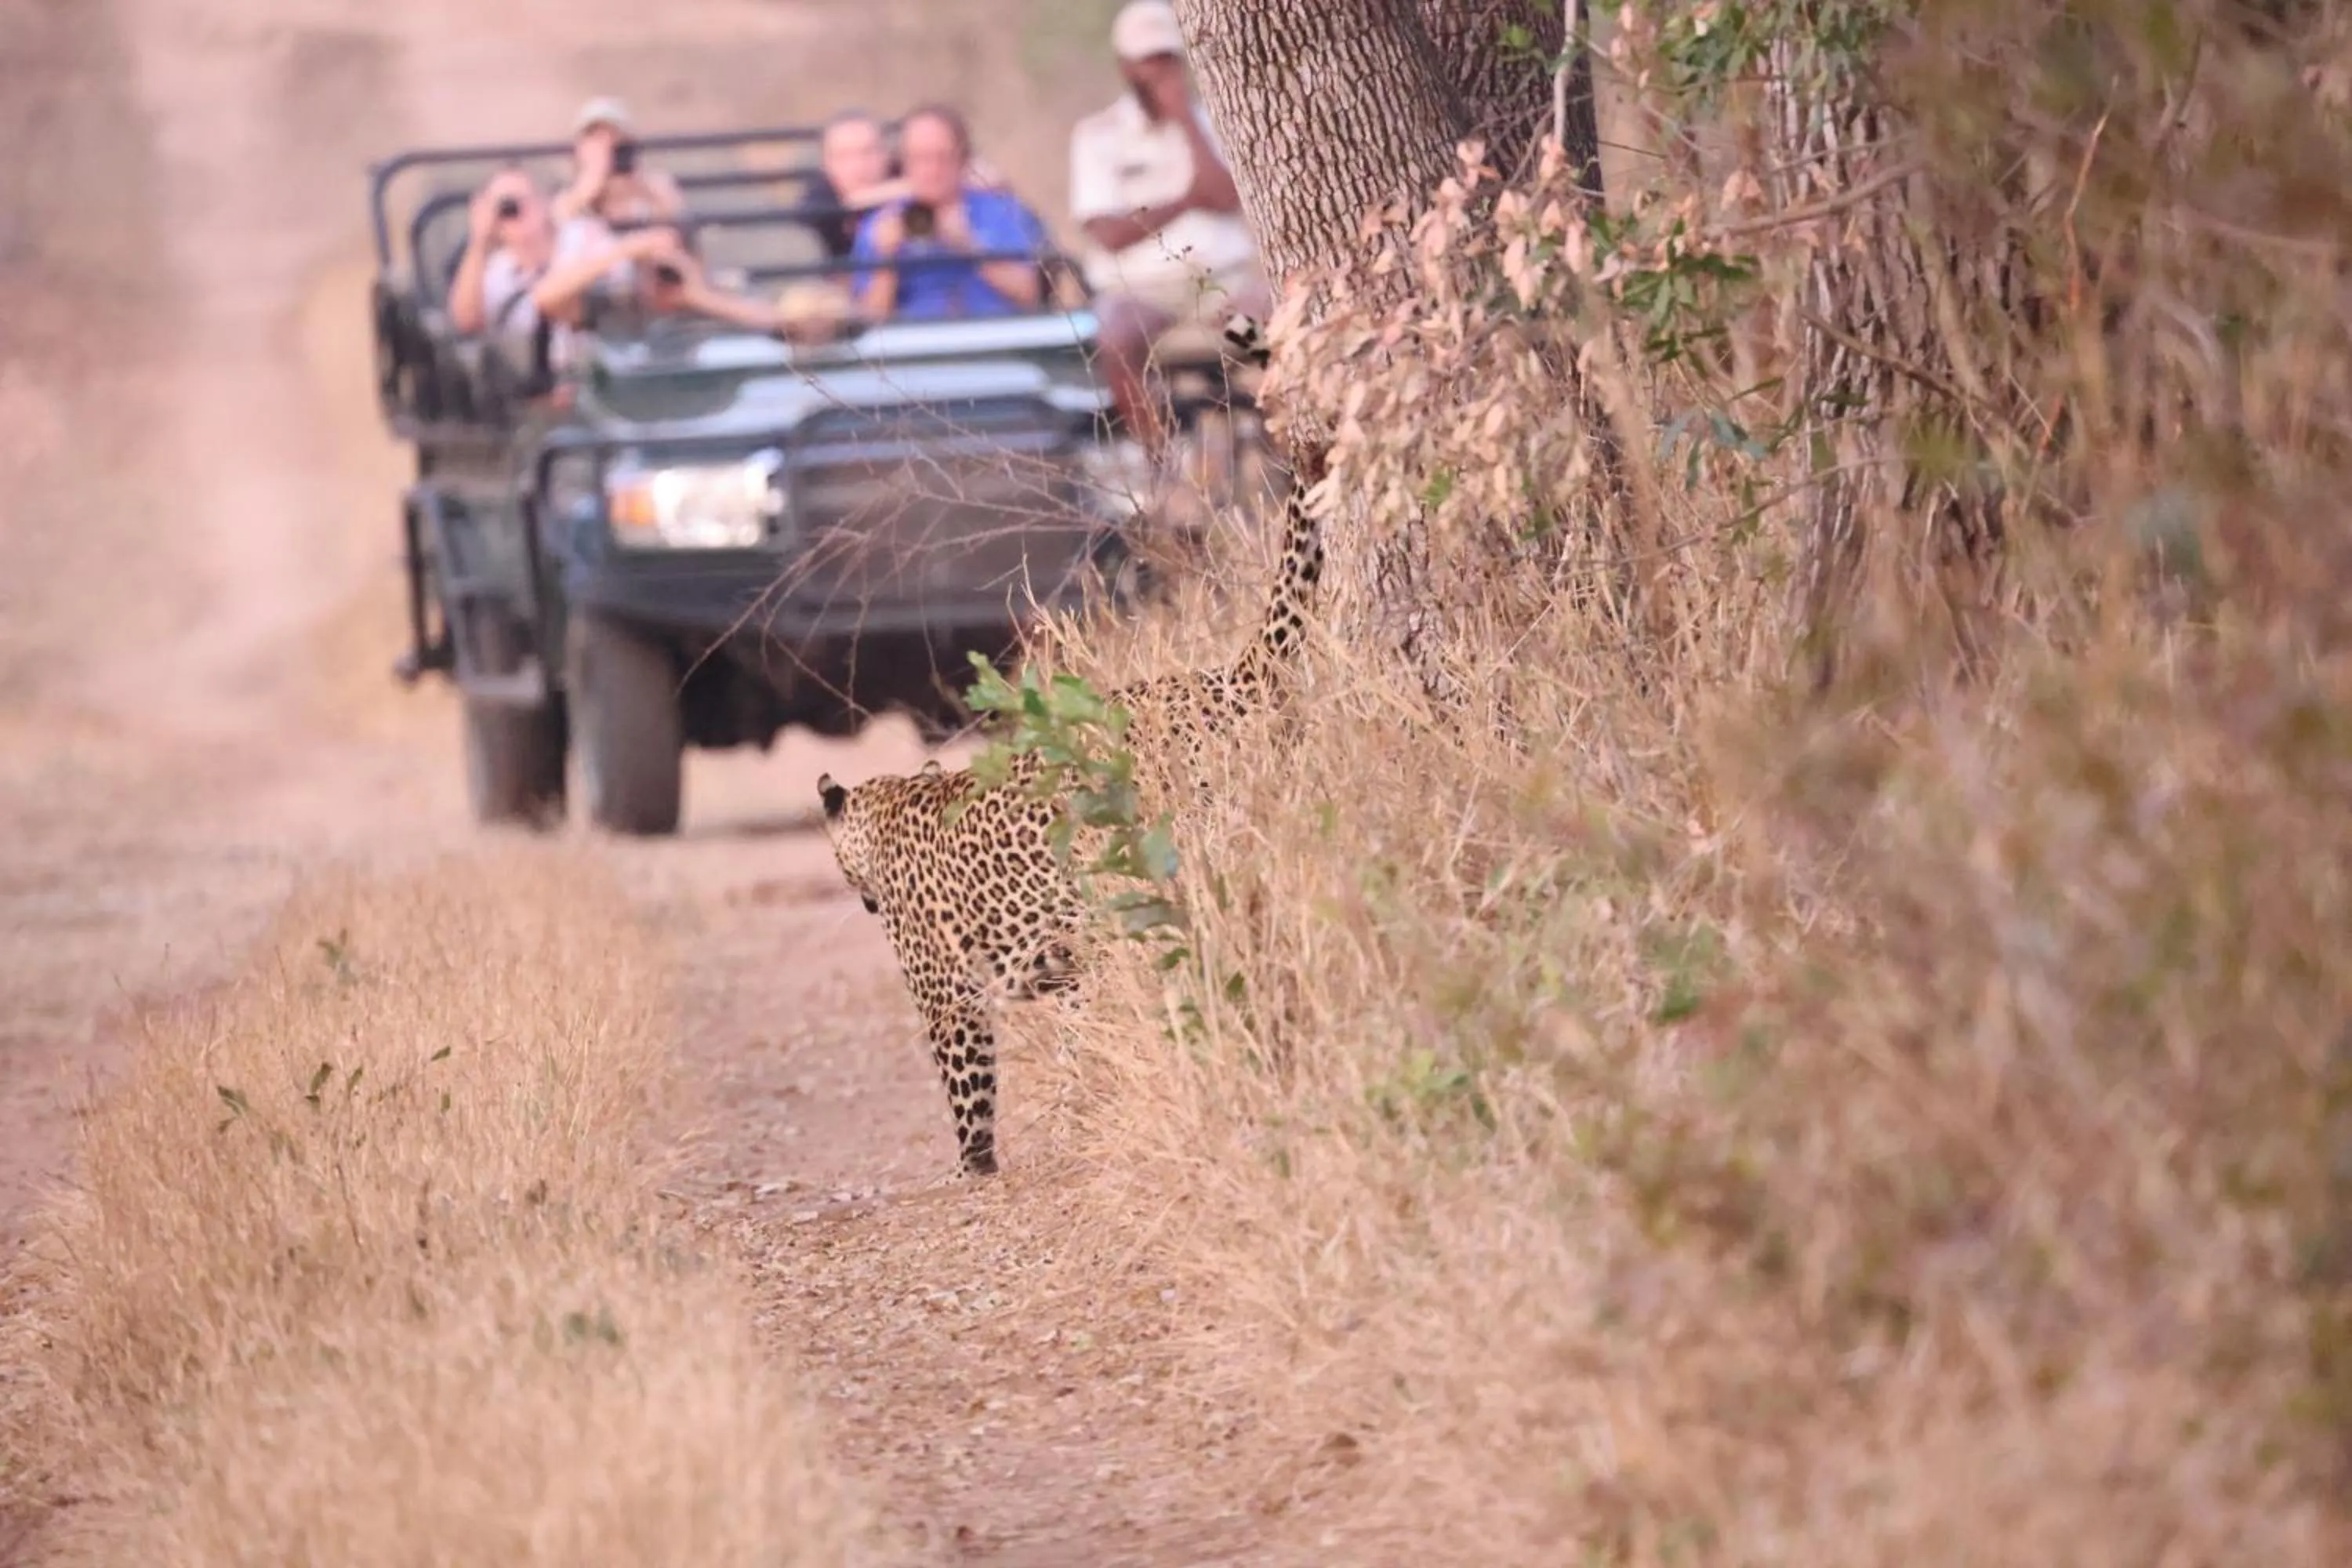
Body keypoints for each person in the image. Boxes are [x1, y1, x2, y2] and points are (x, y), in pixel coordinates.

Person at [1067, 1, 1269, 461]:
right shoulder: (1100, 135)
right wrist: (1185, 200)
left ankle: (1293, 454)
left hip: (1220, 294)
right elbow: (1110, 233)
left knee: (1269, 331)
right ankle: (1159, 459)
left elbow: (1225, 196)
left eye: (1167, 60)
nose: (1158, 73)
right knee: (1116, 337)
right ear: (1126, 67)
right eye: (1147, 62)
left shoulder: (1215, 121)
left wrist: (1185, 123)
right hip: (1146, 296)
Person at [850, 104, 1047, 323]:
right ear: (904, 163)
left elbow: (1030, 295)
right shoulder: (881, 223)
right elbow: (869, 323)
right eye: (921, 159)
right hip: (913, 344)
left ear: (963, 160)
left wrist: (969, 246)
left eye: (943, 158)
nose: (933, 170)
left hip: (994, 335)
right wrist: (886, 262)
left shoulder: (1000, 210)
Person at [551, 96, 685, 232]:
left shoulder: (654, 185)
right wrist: (592, 182)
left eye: (612, 134)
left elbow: (678, 219)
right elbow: (562, 225)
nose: (605, 144)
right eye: (595, 136)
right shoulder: (567, 198)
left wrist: (638, 184)